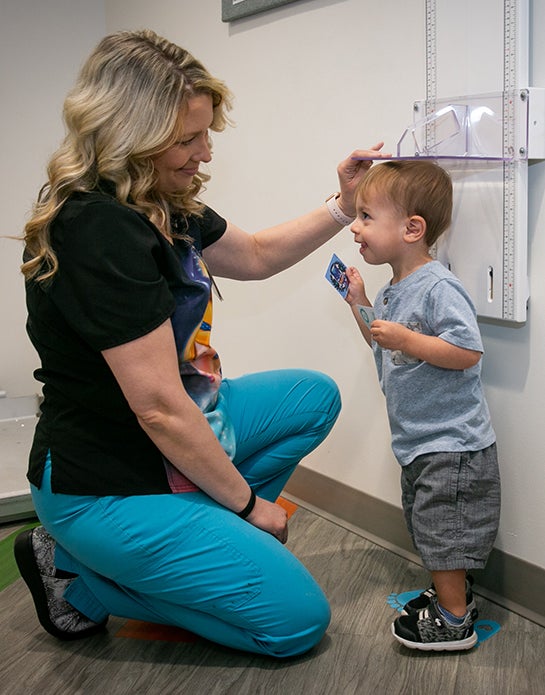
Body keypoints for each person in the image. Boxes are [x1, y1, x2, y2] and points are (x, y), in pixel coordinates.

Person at [13, 28, 385, 658]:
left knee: (310, 397)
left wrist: (344, 207)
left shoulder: (160, 199)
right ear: (131, 133)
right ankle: (80, 580)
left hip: (171, 434)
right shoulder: (99, 227)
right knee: (296, 623)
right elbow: (157, 407)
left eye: (205, 132)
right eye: (188, 138)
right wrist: (247, 508)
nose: (205, 152)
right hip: (105, 477)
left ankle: (194, 533)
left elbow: (260, 255)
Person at [342, 159, 500, 651]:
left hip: (451, 443)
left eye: (367, 216)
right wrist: (359, 303)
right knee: (431, 528)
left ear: (412, 229)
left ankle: (454, 622)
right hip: (419, 440)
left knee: (444, 531)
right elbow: (381, 345)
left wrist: (409, 340)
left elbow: (468, 352)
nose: (355, 228)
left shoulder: (438, 287)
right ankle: (452, 597)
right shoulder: (394, 292)